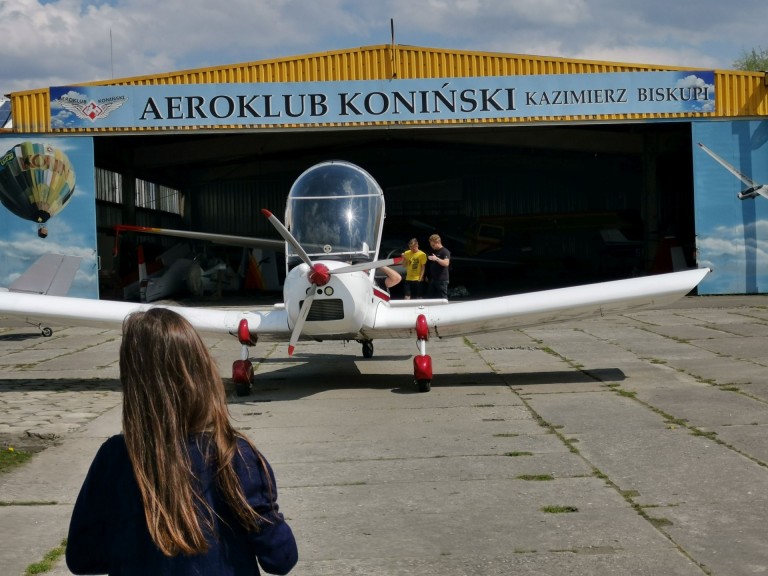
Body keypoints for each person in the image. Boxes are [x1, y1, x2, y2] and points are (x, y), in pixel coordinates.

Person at [66, 308, 298, 576]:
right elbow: (281, 558)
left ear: (132, 383)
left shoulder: (114, 458)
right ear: (201, 372)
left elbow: (82, 557)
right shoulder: (233, 455)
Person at [426, 233, 451, 299]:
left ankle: (445, 309)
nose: (432, 247)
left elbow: (446, 263)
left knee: (443, 298)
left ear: (438, 242)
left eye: (433, 245)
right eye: (431, 245)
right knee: (430, 296)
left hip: (442, 280)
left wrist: (436, 259)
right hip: (434, 279)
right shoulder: (435, 251)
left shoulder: (445, 251)